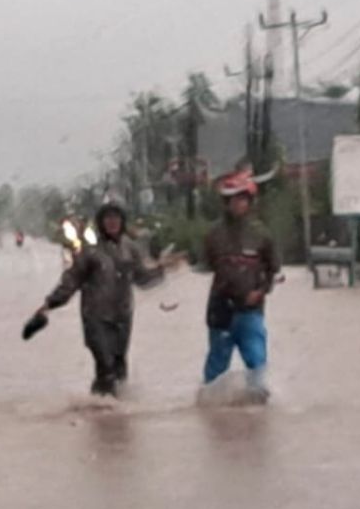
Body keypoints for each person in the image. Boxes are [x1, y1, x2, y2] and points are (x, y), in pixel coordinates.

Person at [33, 202, 178, 397]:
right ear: (101, 223)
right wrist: (50, 303)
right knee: (105, 365)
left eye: (116, 218)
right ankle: (101, 409)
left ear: (122, 221)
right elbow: (71, 280)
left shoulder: (130, 248)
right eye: (108, 218)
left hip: (122, 316)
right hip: (95, 318)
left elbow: (142, 279)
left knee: (119, 367)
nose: (112, 223)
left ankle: (111, 412)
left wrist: (164, 269)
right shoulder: (90, 251)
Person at [202, 169, 281, 400]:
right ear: (226, 202)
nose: (238, 204)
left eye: (243, 199)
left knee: (257, 360)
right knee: (217, 365)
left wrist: (261, 291)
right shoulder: (213, 235)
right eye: (234, 199)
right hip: (221, 310)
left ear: (250, 201)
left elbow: (273, 268)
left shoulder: (261, 234)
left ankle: (258, 404)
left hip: (251, 310)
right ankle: (211, 408)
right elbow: (207, 265)